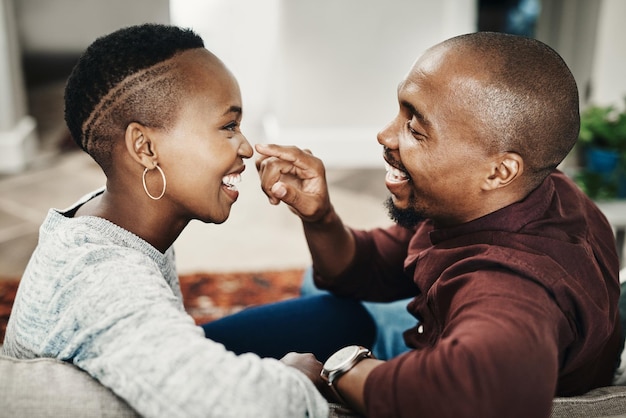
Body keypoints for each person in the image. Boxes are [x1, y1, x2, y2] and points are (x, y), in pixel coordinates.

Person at [202, 31, 623, 417]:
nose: (386, 135)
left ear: (499, 172)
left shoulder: (509, 286)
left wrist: (342, 368)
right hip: (424, 328)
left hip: (424, 364)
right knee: (311, 294)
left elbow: (484, 392)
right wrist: (321, 216)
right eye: (399, 111)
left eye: (416, 129)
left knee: (222, 367)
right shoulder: (526, 190)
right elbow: (366, 269)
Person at [1, 24, 329, 418]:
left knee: (338, 316)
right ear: (145, 147)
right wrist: (292, 379)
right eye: (228, 126)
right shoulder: (104, 280)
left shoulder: (119, 215)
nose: (245, 147)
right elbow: (237, 405)